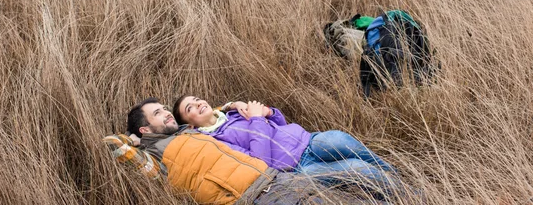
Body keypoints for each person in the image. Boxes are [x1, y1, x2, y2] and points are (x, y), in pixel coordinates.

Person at [108, 97, 391, 204]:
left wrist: (238, 106)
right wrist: (133, 140)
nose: (167, 114)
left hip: (280, 171)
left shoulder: (203, 127)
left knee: (343, 150)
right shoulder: (169, 148)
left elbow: (275, 123)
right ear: (145, 129)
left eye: (166, 110)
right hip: (268, 183)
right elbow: (116, 146)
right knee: (356, 171)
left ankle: (409, 193)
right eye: (159, 114)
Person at [172, 96, 403, 195]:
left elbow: (280, 123)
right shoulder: (214, 143)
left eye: (196, 99)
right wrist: (257, 119)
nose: (197, 104)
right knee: (358, 170)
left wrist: (269, 112)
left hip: (307, 141)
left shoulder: (233, 112)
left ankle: (398, 177)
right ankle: (408, 195)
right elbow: (258, 159)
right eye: (189, 108)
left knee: (339, 139)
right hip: (295, 170)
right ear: (190, 125)